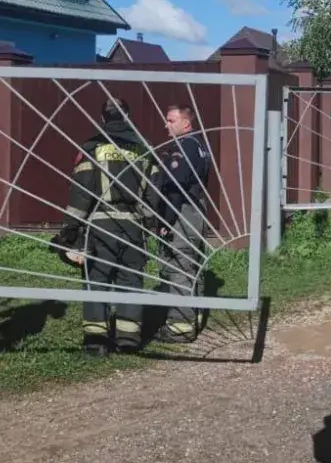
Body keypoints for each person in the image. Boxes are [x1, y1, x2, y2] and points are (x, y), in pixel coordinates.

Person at [51, 97, 156, 356]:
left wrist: (70, 230)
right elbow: (154, 194)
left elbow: (80, 194)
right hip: (133, 228)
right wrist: (151, 224)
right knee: (130, 280)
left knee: (95, 281)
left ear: (103, 119)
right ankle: (128, 340)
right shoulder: (144, 149)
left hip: (100, 228)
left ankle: (96, 343)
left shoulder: (91, 147)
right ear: (128, 117)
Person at [149, 103, 212, 343]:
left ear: (186, 123)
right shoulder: (200, 146)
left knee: (179, 266)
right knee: (191, 266)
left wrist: (165, 220)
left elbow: (174, 189)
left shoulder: (184, 147)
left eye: (171, 120)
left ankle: (179, 327)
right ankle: (192, 316)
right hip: (195, 210)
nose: (166, 125)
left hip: (183, 212)